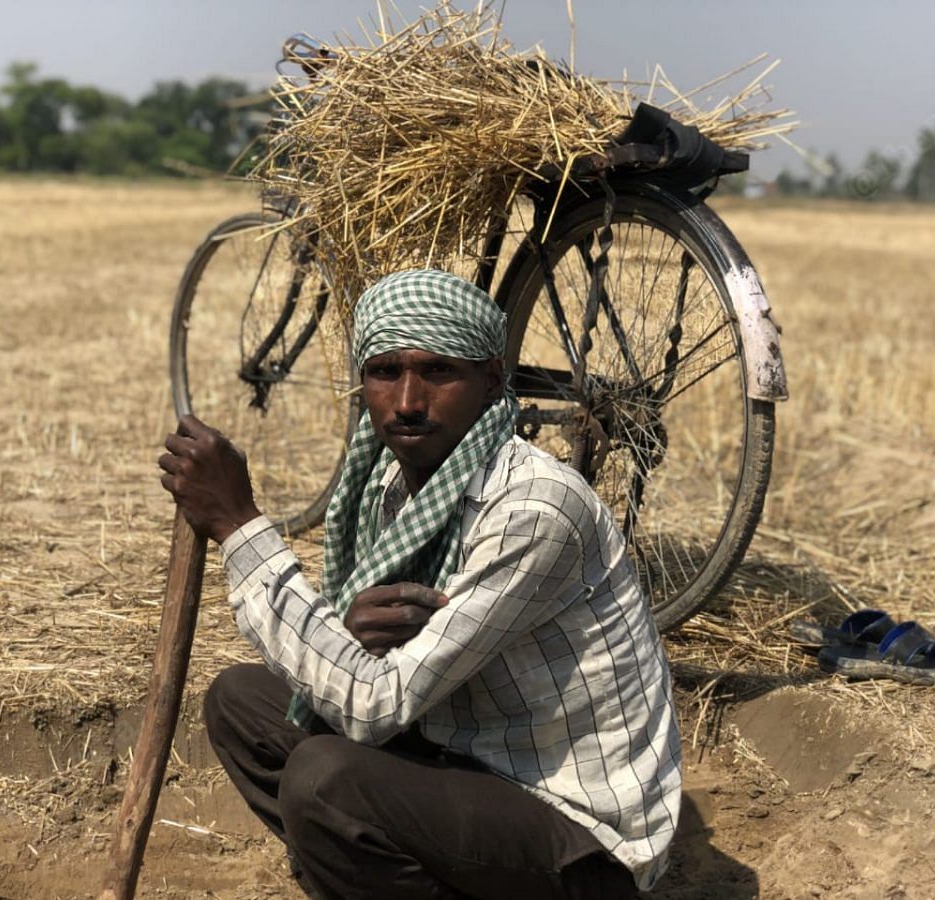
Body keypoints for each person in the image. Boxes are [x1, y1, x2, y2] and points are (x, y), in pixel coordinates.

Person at [158, 269, 681, 899]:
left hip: (576, 837)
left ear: (491, 381)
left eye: (438, 372)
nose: (407, 401)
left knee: (324, 781)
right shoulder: (389, 483)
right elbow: (375, 675)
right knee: (241, 702)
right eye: (384, 372)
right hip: (460, 755)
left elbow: (377, 703)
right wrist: (347, 631)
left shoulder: (533, 510)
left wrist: (240, 526)